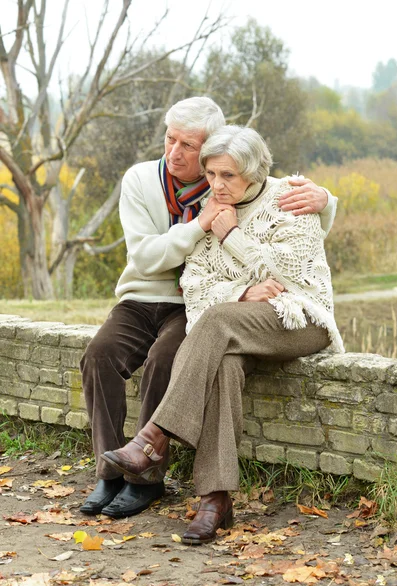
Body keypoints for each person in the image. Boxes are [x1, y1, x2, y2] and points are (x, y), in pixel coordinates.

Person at [80, 98, 338, 519]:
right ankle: (211, 500)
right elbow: (187, 277)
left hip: (288, 314)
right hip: (174, 304)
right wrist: (236, 287)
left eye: (189, 147)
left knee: (179, 349)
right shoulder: (195, 203)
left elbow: (290, 268)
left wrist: (323, 200)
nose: (176, 153)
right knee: (206, 364)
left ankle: (150, 448)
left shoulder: (273, 195)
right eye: (170, 140)